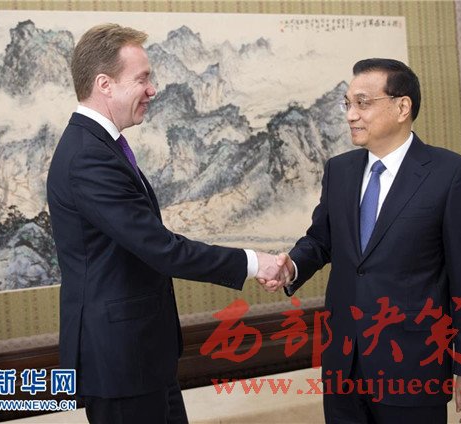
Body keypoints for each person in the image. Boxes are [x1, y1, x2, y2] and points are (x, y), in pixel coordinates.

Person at [46, 24, 288, 424]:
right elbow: (161, 249)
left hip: (141, 355)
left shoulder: (100, 147)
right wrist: (254, 262)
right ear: (105, 84)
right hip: (120, 361)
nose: (153, 90)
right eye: (142, 79)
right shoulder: (89, 156)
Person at [273, 58, 461, 423]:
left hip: (413, 364)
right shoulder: (339, 170)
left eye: (363, 103)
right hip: (343, 363)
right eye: (347, 104)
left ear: (402, 107)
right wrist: (292, 265)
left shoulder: (450, 174)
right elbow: (321, 240)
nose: (350, 115)